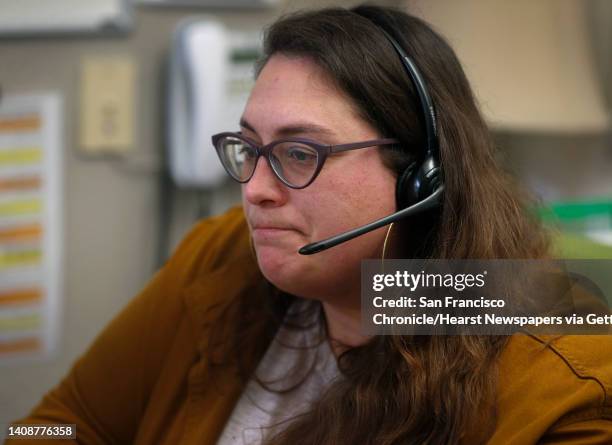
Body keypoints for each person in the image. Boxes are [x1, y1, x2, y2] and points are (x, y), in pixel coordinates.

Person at [7, 4, 612, 445]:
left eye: (300, 154)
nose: (256, 192)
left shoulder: (565, 380)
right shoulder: (220, 256)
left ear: (421, 178)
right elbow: (65, 420)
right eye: (250, 149)